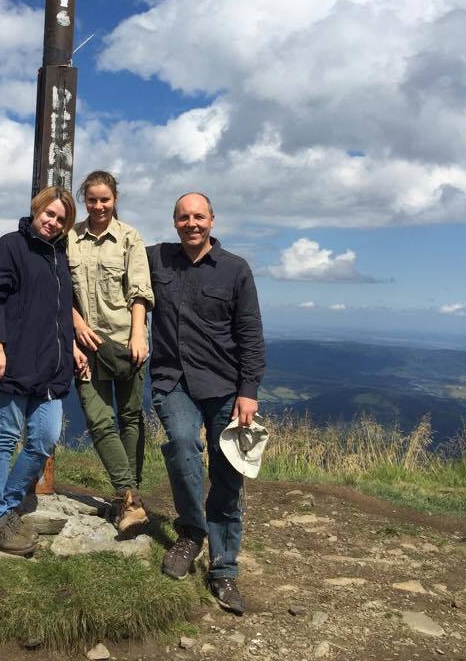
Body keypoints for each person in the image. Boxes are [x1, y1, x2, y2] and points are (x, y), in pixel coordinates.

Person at [147, 192, 265, 615]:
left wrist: (248, 390)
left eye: (199, 216)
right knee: (181, 446)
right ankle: (191, 533)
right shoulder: (155, 259)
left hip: (226, 387)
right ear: (174, 221)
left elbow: (250, 333)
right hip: (172, 380)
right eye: (183, 217)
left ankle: (224, 568)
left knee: (228, 473)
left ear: (213, 220)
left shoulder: (235, 270)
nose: (191, 223)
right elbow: (107, 256)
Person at [0, 185, 77, 556]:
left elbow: (60, 311)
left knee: (44, 439)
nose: (52, 222)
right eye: (49, 214)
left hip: (50, 368)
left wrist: (73, 347)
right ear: (36, 210)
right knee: (4, 437)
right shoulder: (10, 246)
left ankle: (7, 507)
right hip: (13, 361)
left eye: (61, 219)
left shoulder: (58, 256)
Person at [68, 170, 155, 537]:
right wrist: (74, 329)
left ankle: (127, 500)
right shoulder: (69, 239)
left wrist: (139, 335)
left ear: (115, 199)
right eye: (92, 200)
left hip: (125, 340)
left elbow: (139, 291)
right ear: (84, 201)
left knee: (130, 417)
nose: (99, 206)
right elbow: (60, 293)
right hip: (87, 345)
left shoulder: (129, 237)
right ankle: (130, 499)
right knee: (99, 419)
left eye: (105, 199)